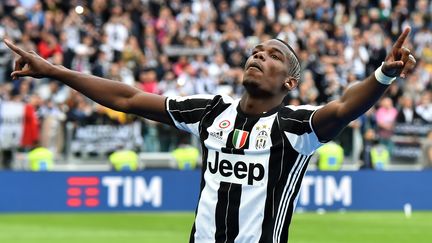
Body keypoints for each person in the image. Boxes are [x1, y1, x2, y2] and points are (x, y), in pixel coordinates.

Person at [3, 27, 416, 242]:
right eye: (257, 51)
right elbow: (127, 98)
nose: (258, 56)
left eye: (273, 56)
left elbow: (346, 107)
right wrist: (54, 71)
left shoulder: (295, 126)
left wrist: (383, 75)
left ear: (290, 83)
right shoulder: (209, 111)